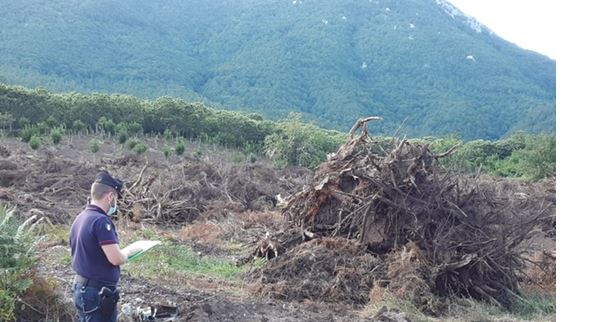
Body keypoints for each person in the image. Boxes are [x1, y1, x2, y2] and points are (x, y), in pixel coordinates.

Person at [70, 170, 140, 322]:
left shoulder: (81, 218)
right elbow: (116, 259)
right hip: (96, 293)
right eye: (116, 199)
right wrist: (128, 252)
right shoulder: (101, 221)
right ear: (110, 197)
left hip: (82, 287)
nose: (116, 204)